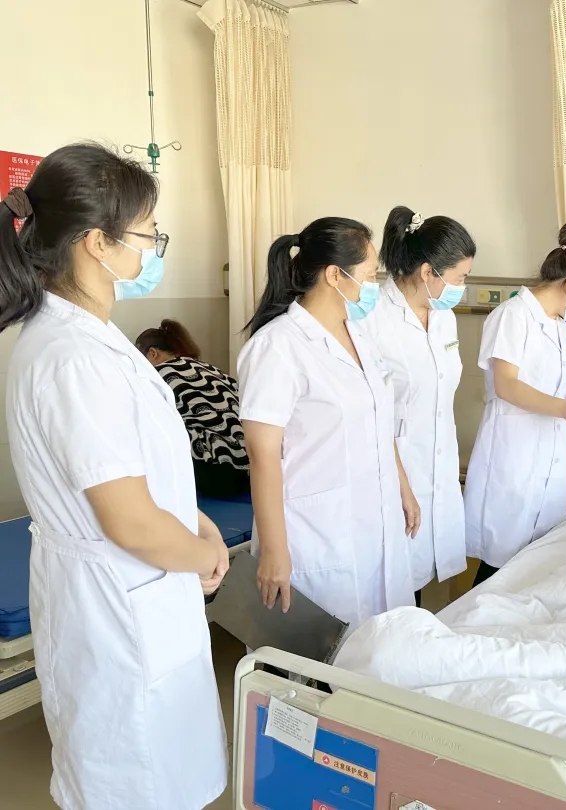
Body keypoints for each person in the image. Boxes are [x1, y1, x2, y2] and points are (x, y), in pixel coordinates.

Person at [0, 144, 228, 809]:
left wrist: (196, 522)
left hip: (135, 596)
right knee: (135, 784)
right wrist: (205, 555)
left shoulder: (92, 340)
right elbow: (129, 521)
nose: (155, 247)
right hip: (118, 609)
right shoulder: (74, 357)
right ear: (99, 242)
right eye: (148, 232)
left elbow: (138, 472)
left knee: (161, 771)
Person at [238, 217, 413, 628]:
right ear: (335, 275)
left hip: (376, 519)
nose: (374, 285)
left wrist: (402, 486)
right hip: (316, 533)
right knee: (321, 656)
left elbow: (377, 420)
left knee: (382, 643)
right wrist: (274, 551)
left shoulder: (359, 336)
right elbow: (263, 456)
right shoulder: (276, 347)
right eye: (370, 276)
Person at [464, 222, 566, 586]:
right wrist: (564, 410)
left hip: (549, 461)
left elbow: (552, 388)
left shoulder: (560, 326)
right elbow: (506, 384)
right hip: (514, 461)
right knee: (499, 570)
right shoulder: (512, 316)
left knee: (533, 567)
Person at [361, 206, 476, 608]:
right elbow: (369, 412)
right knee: (391, 583)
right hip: (391, 470)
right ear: (429, 272)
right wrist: (401, 484)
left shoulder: (444, 317)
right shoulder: (372, 317)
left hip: (436, 466)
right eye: (460, 278)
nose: (463, 286)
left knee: (419, 579)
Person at [136, 318, 250, 499]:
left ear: (152, 353)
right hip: (251, 465)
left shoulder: (157, 377)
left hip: (218, 474)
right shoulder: (210, 369)